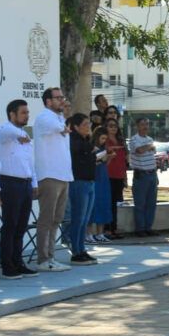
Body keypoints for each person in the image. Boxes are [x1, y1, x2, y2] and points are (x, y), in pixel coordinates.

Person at [0, 99, 38, 279]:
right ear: (12, 114)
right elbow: (7, 131)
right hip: (10, 183)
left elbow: (30, 162)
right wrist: (19, 134)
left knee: (21, 226)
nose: (27, 115)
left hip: (25, 183)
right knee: (10, 225)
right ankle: (7, 265)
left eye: (28, 112)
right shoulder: (3, 131)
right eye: (23, 113)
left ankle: (18, 261)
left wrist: (34, 184)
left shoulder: (23, 135)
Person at [34, 87, 72, 272]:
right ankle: (43, 259)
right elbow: (58, 128)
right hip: (49, 175)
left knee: (56, 219)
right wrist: (63, 124)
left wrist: (64, 120)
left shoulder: (59, 118)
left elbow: (63, 128)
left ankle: (51, 257)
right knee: (46, 219)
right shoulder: (44, 117)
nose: (62, 101)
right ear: (48, 101)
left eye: (62, 97)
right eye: (58, 98)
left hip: (63, 175)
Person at [68, 113, 99, 265]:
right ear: (76, 127)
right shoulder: (73, 140)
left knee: (85, 219)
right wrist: (90, 148)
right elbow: (79, 151)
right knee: (78, 218)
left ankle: (82, 249)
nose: (89, 127)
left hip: (90, 181)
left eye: (89, 124)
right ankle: (75, 251)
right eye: (85, 125)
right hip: (78, 182)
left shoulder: (86, 140)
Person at [129, 117, 160, 237]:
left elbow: (152, 156)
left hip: (152, 173)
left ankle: (148, 227)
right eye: (142, 124)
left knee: (151, 203)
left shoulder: (150, 139)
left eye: (147, 124)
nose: (145, 126)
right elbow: (140, 150)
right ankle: (140, 229)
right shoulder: (134, 139)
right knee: (140, 204)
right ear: (137, 126)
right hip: (141, 175)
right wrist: (149, 146)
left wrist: (156, 175)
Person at [88, 126, 115, 244]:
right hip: (94, 178)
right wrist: (101, 159)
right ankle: (88, 233)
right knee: (92, 207)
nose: (103, 141)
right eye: (102, 138)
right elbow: (91, 162)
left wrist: (108, 157)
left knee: (104, 205)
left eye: (105, 138)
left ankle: (100, 233)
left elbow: (104, 163)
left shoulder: (104, 147)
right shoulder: (91, 147)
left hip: (103, 178)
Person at [104, 118, 128, 238]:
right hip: (108, 175)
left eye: (115, 126)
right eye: (110, 125)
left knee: (115, 203)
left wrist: (125, 177)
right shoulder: (105, 140)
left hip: (119, 175)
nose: (113, 128)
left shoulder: (120, 140)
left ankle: (114, 228)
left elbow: (124, 160)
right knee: (108, 203)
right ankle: (107, 229)